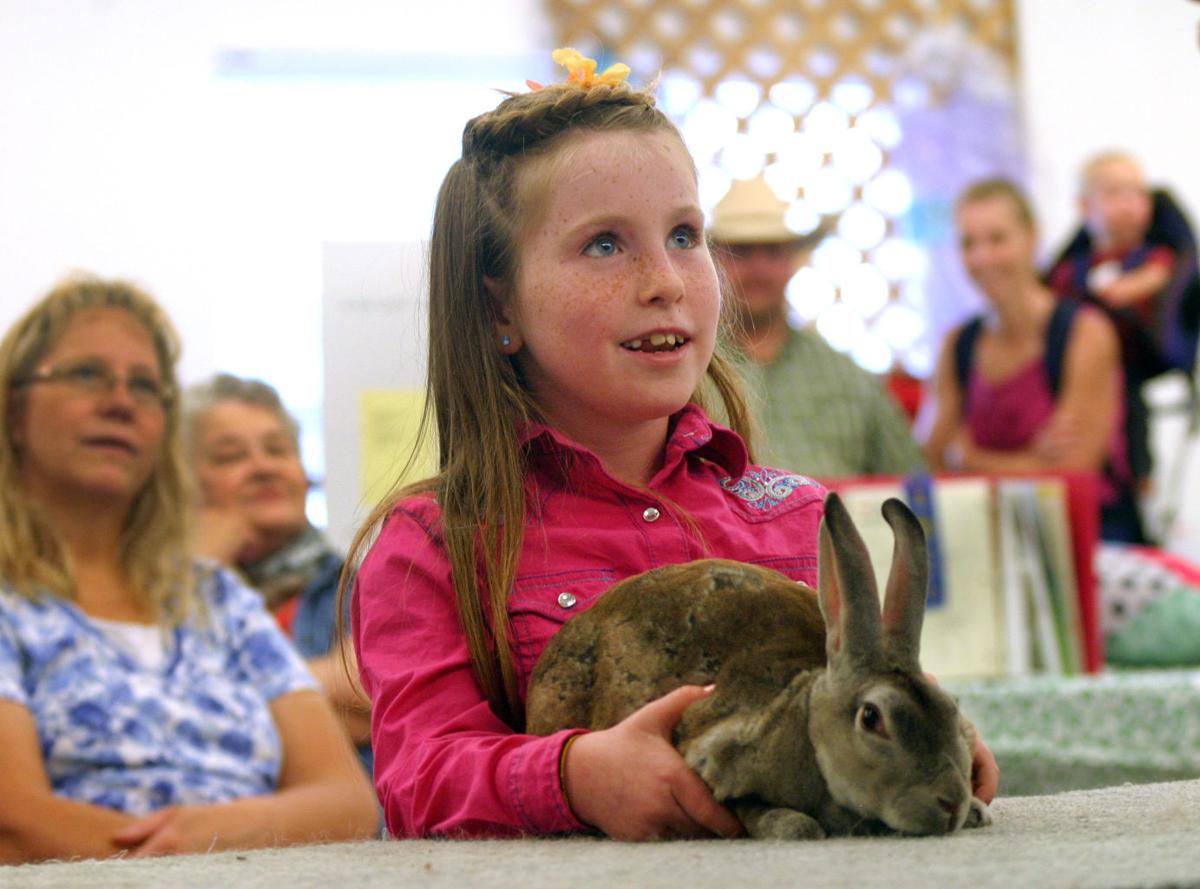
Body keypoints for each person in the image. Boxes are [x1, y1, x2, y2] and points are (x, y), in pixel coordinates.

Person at [348, 48, 998, 842]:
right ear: (496, 309)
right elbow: (419, 779)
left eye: (685, 234)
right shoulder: (434, 547)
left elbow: (854, 697)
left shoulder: (796, 516)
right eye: (604, 245)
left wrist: (919, 740)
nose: (666, 279)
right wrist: (572, 776)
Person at [0, 275, 378, 863]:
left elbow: (347, 803)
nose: (120, 401)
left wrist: (219, 834)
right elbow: (15, 823)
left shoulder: (214, 598)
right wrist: (205, 850)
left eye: (146, 385)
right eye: (85, 374)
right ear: (14, 410)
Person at [925, 179, 1143, 542]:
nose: (982, 257)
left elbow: (1072, 476)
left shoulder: (1084, 333)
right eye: (969, 243)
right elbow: (928, 459)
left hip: (1087, 540)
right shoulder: (957, 344)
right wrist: (1030, 463)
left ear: (1031, 239)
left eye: (997, 239)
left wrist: (970, 460)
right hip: (989, 542)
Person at [183, 374, 371, 772]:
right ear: (181, 486)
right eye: (230, 456)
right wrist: (203, 568)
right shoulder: (154, 594)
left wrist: (212, 706)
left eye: (278, 450)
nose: (263, 467)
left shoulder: (358, 582)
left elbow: (372, 689)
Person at [708, 174, 926, 478]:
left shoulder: (849, 378)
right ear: (713, 260)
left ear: (790, 262)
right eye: (741, 251)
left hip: (833, 524)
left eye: (772, 252)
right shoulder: (691, 376)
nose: (759, 268)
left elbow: (911, 481)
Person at [1047, 152, 1200, 491]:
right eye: (1115, 194)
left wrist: (1126, 287)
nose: (1130, 205)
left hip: (1134, 356)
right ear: (1086, 208)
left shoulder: (1152, 256)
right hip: (1080, 366)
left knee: (1131, 407)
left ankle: (1140, 475)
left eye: (1137, 194)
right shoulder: (1073, 268)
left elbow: (1161, 275)